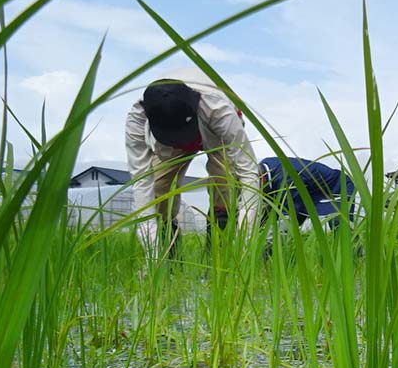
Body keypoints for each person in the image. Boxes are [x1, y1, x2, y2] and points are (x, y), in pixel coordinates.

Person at [125, 68, 261, 254]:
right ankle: (168, 259)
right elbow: (141, 181)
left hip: (216, 133)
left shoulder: (219, 110)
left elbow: (248, 172)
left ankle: (218, 258)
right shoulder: (137, 119)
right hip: (168, 139)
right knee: (159, 189)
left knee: (224, 183)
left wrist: (245, 239)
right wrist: (152, 258)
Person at [259, 156, 359, 227]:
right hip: (308, 193)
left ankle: (357, 253)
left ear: (262, 178)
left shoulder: (285, 177)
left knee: (339, 222)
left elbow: (290, 213)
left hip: (337, 187)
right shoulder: (262, 169)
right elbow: (270, 210)